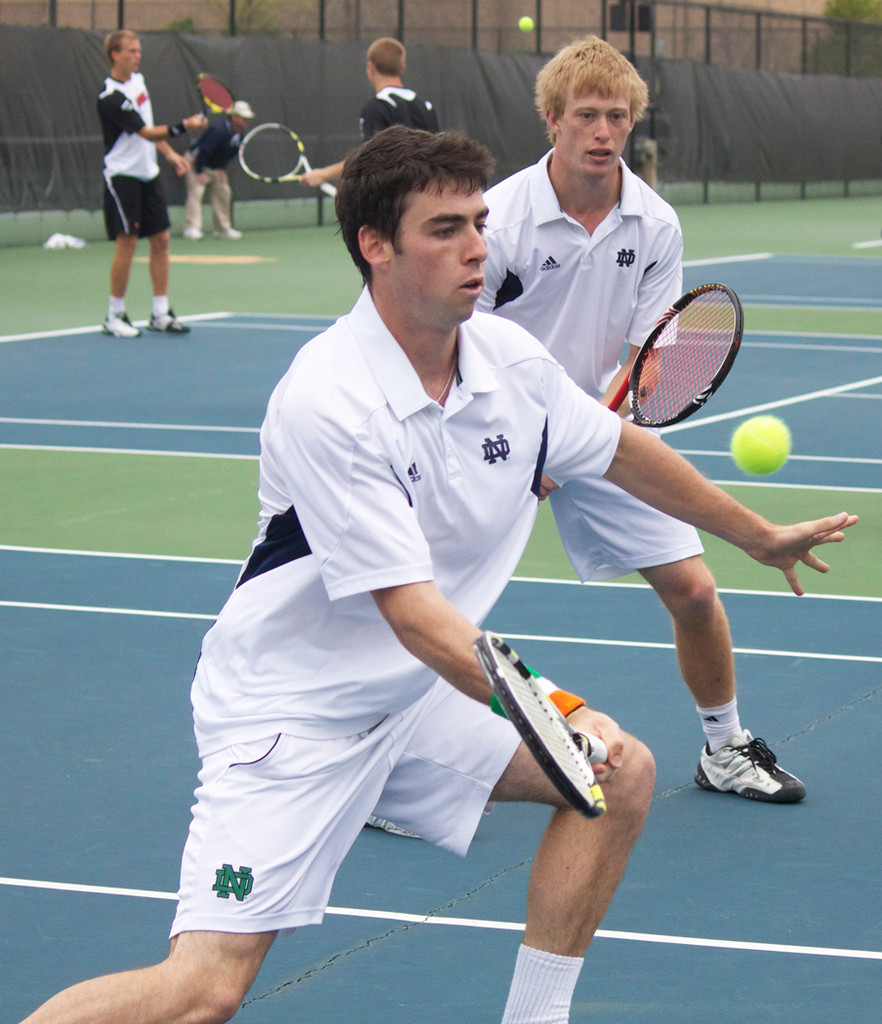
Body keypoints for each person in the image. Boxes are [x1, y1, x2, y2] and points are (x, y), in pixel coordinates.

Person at [19, 126, 855, 1024]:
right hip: (294, 715)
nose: (476, 250)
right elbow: (414, 613)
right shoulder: (329, 398)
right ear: (376, 246)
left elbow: (622, 451)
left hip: (408, 701)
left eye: (481, 223)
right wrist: (557, 710)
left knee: (618, 774)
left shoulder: (509, 362)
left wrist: (756, 536)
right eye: (445, 229)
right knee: (204, 991)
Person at [473, 35, 808, 803]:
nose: (602, 131)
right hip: (488, 428)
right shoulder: (498, 218)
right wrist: (528, 442)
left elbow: (653, 352)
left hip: (595, 423)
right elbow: (461, 340)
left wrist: (582, 428)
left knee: (694, 591)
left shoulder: (653, 224)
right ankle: (388, 765)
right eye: (586, 115)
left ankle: (724, 748)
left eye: (617, 117)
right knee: (438, 604)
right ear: (552, 120)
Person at [98, 29, 206, 339]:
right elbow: (145, 132)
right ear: (115, 55)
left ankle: (160, 313)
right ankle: (114, 316)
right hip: (122, 177)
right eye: (130, 51)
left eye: (139, 50)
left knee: (161, 240)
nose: (137, 55)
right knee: (128, 242)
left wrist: (170, 154)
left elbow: (152, 130)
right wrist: (183, 127)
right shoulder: (109, 98)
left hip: (148, 174)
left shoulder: (139, 83)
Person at [299, 36, 439, 191]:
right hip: (427, 199)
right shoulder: (425, 106)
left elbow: (370, 161)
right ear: (402, 67)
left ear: (371, 67)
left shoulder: (376, 107)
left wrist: (323, 174)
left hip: (394, 204)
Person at [183, 100, 254, 240]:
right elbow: (203, 152)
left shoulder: (240, 134)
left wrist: (222, 169)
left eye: (248, 117)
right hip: (195, 162)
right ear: (234, 117)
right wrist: (199, 172)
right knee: (196, 192)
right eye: (243, 117)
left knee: (224, 192)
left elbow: (228, 153)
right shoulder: (218, 131)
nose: (247, 120)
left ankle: (222, 229)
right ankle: (191, 228)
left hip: (214, 167)